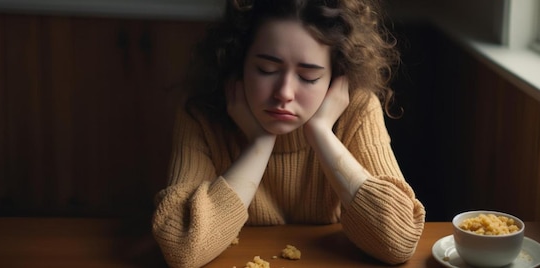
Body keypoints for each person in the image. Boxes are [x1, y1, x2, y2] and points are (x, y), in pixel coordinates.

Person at [152, 0, 425, 267]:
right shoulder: (201, 113)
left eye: (308, 77)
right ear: (239, 63)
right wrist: (259, 144)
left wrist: (320, 134)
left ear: (336, 77)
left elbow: (397, 241)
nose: (284, 93)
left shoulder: (357, 109)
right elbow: (181, 249)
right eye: (266, 69)